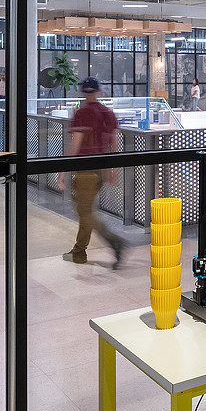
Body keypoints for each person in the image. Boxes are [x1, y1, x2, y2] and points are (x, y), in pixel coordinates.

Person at [57, 77, 126, 269]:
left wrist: (62, 170)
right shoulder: (108, 113)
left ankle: (115, 242)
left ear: (82, 92)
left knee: (85, 211)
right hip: (102, 168)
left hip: (85, 168)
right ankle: (78, 252)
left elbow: (76, 143)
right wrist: (112, 170)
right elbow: (114, 144)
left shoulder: (81, 113)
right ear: (99, 91)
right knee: (86, 210)